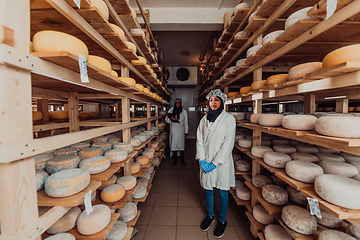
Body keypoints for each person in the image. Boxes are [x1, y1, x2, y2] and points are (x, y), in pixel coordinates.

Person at [196, 89, 236, 238]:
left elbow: (228, 143)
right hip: (206, 160)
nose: (213, 102)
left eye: (216, 100)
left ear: (222, 102)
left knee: (222, 191)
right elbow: (199, 140)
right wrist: (202, 159)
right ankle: (210, 215)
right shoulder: (204, 119)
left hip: (222, 163)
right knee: (208, 188)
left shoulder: (229, 119)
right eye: (211, 100)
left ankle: (223, 221)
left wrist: (215, 163)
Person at [165, 98, 189, 166]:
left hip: (181, 131)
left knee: (181, 147)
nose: (177, 104)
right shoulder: (171, 110)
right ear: (174, 103)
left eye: (179, 103)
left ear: (181, 104)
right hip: (174, 130)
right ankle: (175, 161)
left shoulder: (184, 112)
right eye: (176, 103)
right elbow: (166, 120)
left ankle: (182, 160)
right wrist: (171, 119)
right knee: (174, 146)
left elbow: (186, 122)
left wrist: (186, 131)